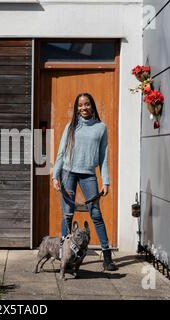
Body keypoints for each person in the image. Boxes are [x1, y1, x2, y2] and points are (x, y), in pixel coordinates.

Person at [52, 92, 117, 271]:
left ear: (92, 106)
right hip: (68, 172)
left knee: (95, 213)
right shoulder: (71, 126)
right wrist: (55, 176)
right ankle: (63, 253)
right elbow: (60, 152)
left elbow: (103, 156)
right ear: (77, 108)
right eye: (80, 105)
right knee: (67, 214)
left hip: (88, 174)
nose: (83, 108)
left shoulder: (100, 127)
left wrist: (106, 181)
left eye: (86, 104)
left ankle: (107, 256)